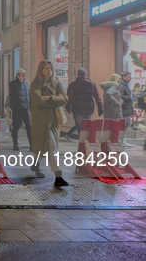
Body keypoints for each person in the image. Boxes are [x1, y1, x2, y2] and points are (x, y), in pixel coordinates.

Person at [30, 60, 69, 188]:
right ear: (41, 70)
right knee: (51, 145)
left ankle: (35, 164)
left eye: (50, 68)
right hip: (40, 120)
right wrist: (55, 100)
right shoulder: (35, 84)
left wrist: (50, 98)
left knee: (45, 145)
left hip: (53, 120)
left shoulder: (56, 83)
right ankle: (58, 176)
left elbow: (65, 99)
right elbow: (38, 101)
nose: (49, 70)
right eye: (46, 68)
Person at [64, 68, 103, 141]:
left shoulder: (73, 85)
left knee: (81, 129)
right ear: (86, 74)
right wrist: (100, 108)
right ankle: (87, 145)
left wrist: (68, 107)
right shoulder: (92, 84)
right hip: (89, 109)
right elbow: (97, 97)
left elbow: (70, 98)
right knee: (87, 127)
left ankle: (83, 145)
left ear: (77, 74)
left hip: (77, 109)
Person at [8, 69, 32, 151]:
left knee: (29, 126)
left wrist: (30, 107)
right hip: (17, 109)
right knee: (16, 126)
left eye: (24, 74)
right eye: (22, 74)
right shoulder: (13, 84)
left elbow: (28, 96)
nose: (24, 76)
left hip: (25, 109)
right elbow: (13, 95)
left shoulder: (26, 84)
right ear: (18, 75)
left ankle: (31, 144)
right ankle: (15, 143)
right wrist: (20, 83)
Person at [119, 72, 134, 141]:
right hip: (124, 108)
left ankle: (122, 139)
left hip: (126, 108)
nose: (130, 78)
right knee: (123, 124)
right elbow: (120, 95)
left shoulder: (125, 85)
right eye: (128, 77)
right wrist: (128, 98)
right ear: (124, 77)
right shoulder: (122, 86)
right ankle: (120, 139)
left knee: (128, 123)